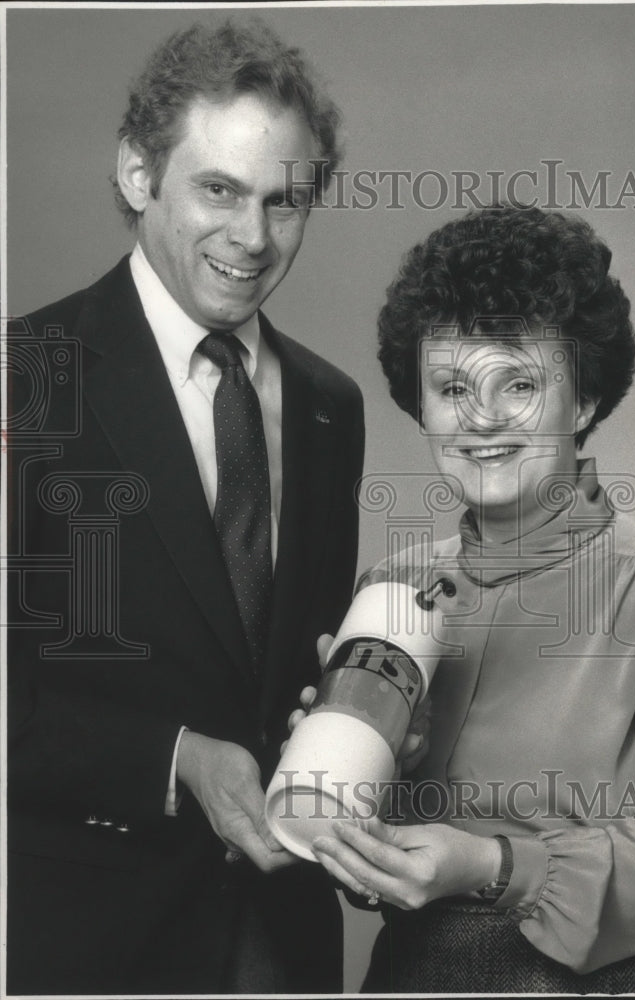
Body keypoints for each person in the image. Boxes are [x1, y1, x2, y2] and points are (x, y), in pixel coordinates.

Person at [6, 19, 364, 995]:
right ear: (137, 174)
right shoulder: (25, 379)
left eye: (284, 201)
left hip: (285, 936)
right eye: (219, 190)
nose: (253, 237)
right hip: (85, 943)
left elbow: (296, 670)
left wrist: (362, 725)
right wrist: (175, 760)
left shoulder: (329, 404)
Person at [307, 206, 635, 992]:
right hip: (414, 974)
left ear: (582, 402)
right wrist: (355, 781)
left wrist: (493, 866)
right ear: (420, 406)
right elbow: (359, 864)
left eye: (518, 383)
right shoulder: (393, 588)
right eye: (452, 386)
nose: (481, 418)